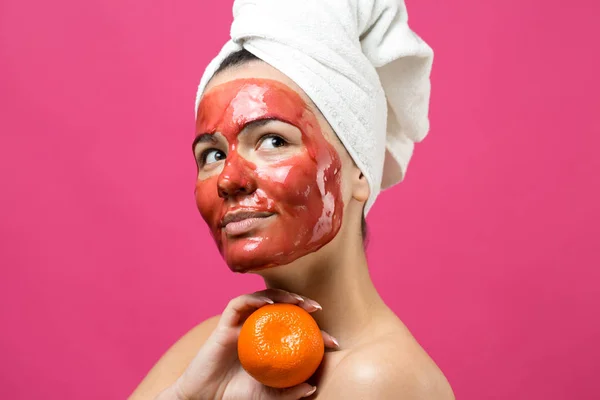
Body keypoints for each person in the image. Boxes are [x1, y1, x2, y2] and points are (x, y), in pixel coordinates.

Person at [130, 0, 454, 398]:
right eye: (212, 154)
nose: (228, 179)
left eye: (272, 140)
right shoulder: (208, 354)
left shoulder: (377, 379)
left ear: (358, 172)